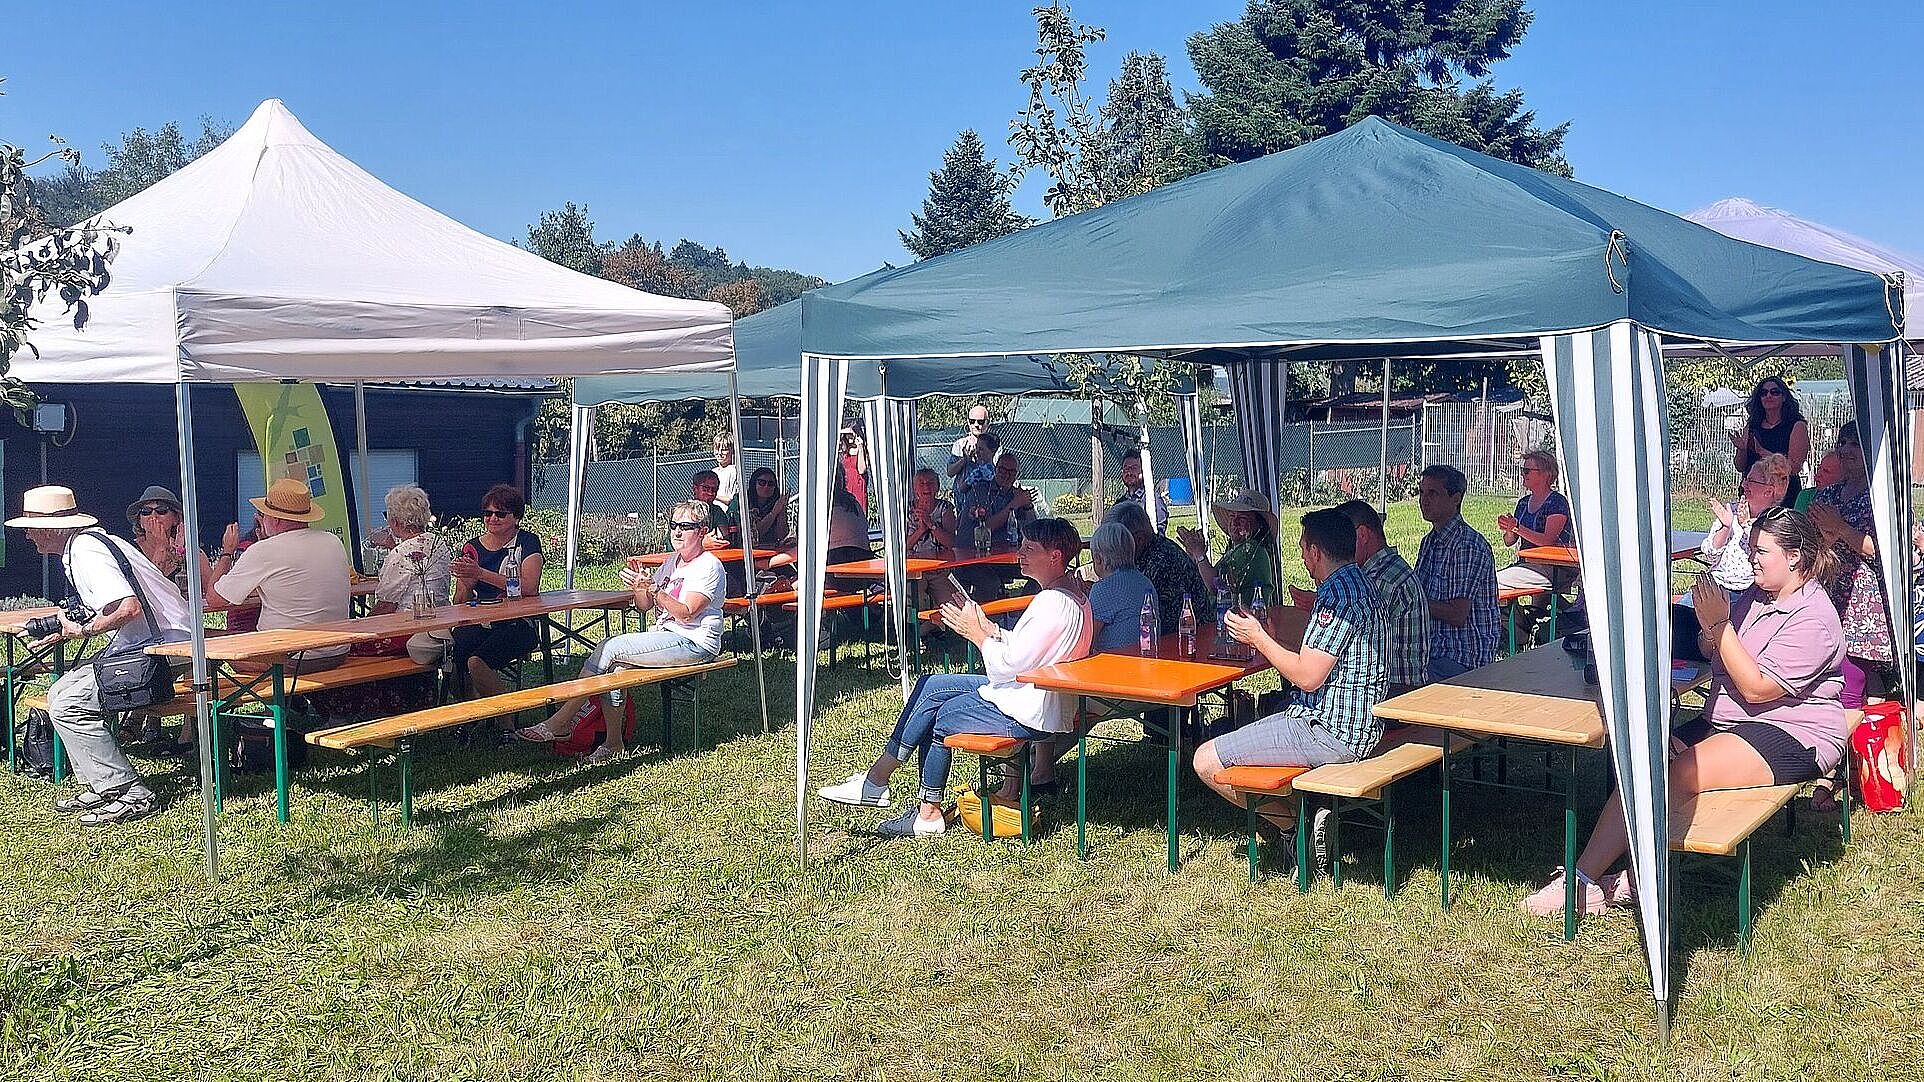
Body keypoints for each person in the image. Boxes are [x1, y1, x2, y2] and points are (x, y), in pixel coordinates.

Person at [1523, 508, 1847, 916]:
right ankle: (1635, 874)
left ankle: (1584, 881)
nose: (1751, 558)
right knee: (1641, 758)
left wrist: (1721, 626)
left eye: (1760, 551)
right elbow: (1715, 652)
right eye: (1750, 548)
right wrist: (1712, 629)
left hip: (1791, 732)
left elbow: (1756, 687)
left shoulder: (1814, 618)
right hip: (1732, 720)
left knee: (1679, 772)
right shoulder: (1757, 595)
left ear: (1795, 557)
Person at [815, 518, 1093, 839]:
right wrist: (988, 628)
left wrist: (976, 635)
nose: (1020, 554)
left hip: (1028, 707)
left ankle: (924, 811)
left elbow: (1011, 666)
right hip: (1033, 696)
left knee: (940, 715)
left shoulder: (1051, 602)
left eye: (1029, 549)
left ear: (1055, 556)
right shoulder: (1072, 597)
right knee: (931, 686)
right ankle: (878, 780)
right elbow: (1031, 652)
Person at [1193, 508, 1387, 856]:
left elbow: (1307, 677)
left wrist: (1257, 638)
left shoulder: (1337, 597)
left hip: (1331, 732)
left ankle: (1295, 828)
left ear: (1315, 552)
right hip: (1361, 726)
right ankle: (1305, 815)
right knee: (1265, 715)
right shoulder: (1362, 584)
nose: (1300, 554)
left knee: (1206, 760)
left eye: (1302, 547)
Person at [7, 486, 193, 824]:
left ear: (55, 529)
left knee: (68, 703)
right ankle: (99, 783)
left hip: (165, 647)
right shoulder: (91, 543)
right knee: (60, 691)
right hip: (168, 640)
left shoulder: (85, 552)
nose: (29, 535)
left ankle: (129, 793)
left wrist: (80, 631)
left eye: (32, 527)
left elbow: (127, 607)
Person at [518, 500, 725, 764]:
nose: (676, 532)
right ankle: (613, 744)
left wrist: (653, 590)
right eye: (673, 525)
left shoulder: (709, 566)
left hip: (694, 642)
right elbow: (644, 607)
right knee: (615, 669)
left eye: (685, 526)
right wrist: (640, 588)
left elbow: (686, 612)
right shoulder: (672, 562)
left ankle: (561, 720)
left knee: (610, 647)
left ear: (702, 531)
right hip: (667, 636)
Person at [1807, 421, 1896, 810]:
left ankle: (1879, 769)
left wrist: (1839, 528)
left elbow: (1887, 551)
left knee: (1866, 682)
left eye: (1855, 445)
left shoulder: (1883, 496)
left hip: (1866, 603)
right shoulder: (1831, 494)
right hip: (1832, 597)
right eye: (1842, 443)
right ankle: (1843, 770)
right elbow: (1820, 541)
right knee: (1837, 682)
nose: (1845, 450)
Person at [207, 477, 353, 673]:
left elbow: (215, 600)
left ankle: (209, 700)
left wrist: (227, 552)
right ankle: (295, 704)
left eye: (262, 514)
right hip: (337, 652)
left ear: (274, 519)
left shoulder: (264, 551)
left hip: (287, 657)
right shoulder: (333, 541)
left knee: (210, 640)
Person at [1675, 455, 1791, 662]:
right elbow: (1710, 554)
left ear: (1768, 490)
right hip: (1716, 585)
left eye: (1751, 482)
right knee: (1676, 619)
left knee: (1720, 637)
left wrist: (1747, 526)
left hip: (1747, 592)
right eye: (1746, 479)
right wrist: (1727, 526)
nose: (1744, 485)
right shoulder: (1731, 509)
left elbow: (1763, 556)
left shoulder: (1776, 520)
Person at [448, 483, 544, 701]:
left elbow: (529, 587)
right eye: (487, 513)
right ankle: (469, 712)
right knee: (458, 653)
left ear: (516, 517)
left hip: (517, 621)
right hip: (480, 621)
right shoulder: (471, 547)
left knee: (476, 661)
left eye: (500, 513)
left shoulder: (527, 542)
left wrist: (480, 573)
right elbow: (459, 601)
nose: (492, 518)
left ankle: (505, 722)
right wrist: (467, 582)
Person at [1335, 499, 1430, 696]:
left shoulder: (1381, 579)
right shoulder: (1382, 570)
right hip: (1393, 686)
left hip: (1395, 691)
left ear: (1362, 535)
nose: (1336, 548)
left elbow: (1341, 638)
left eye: (1340, 539)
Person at [1414, 465, 1499, 678]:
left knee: (1393, 687)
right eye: (1422, 492)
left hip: (1462, 656)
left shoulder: (1467, 546)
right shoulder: (1429, 542)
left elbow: (1457, 614)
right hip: (1433, 650)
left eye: (1433, 493)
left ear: (1456, 498)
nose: (1424, 500)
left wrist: (1411, 601)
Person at [1107, 500, 1207, 634]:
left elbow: (1137, 612)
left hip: (1186, 641)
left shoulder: (1160, 561)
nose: (1110, 546)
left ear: (1139, 538)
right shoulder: (1148, 552)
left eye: (1116, 540)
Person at [1178, 488, 1277, 606]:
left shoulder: (1252, 550)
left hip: (1244, 620)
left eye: (1242, 518)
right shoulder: (1236, 549)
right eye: (1232, 516)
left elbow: (1218, 588)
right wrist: (1195, 556)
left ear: (1259, 524)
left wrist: (1200, 555)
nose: (1234, 523)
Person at [1732, 376, 1809, 508]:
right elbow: (1740, 466)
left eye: (1774, 392)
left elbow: (1794, 467)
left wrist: (1762, 452)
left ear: (1784, 397)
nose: (1768, 396)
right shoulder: (1752, 426)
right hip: (1753, 494)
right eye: (1763, 393)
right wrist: (1742, 449)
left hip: (1783, 496)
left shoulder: (1796, 426)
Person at [1086, 521, 1156, 653]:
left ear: (1098, 558)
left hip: (1114, 664)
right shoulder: (1145, 582)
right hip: (1146, 657)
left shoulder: (1103, 589)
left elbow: (1088, 642)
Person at [959, 451, 1038, 543]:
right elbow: (985, 528)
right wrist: (1015, 503)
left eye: (1012, 472)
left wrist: (1027, 506)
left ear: (1017, 475)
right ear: (995, 469)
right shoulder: (979, 491)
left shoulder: (1016, 494)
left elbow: (1032, 532)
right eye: (1002, 470)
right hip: (972, 549)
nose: (1007, 475)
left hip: (1007, 549)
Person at [126, 485, 190, 595]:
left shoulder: (189, 551)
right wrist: (161, 546)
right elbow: (151, 590)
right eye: (146, 511)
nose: (153, 516)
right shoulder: (129, 551)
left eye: (161, 510)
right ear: (140, 521)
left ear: (175, 518)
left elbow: (212, 588)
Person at [947, 404, 995, 496]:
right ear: (968, 422)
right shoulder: (960, 444)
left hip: (986, 497)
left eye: (980, 422)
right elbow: (950, 472)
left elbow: (997, 470)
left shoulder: (993, 444)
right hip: (962, 499)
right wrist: (965, 460)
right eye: (972, 421)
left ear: (987, 423)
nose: (976, 425)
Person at [1119, 448, 1169, 534]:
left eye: (1134, 468)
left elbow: (1159, 533)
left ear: (1144, 471)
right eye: (1126, 468)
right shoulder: (1120, 502)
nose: (1129, 472)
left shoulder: (1153, 500)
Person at [742, 466, 789, 549]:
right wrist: (773, 513)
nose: (766, 487)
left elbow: (782, 535)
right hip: (747, 550)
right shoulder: (743, 501)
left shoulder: (776, 502)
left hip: (770, 549)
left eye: (771, 484)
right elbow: (754, 535)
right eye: (762, 483)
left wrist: (781, 510)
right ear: (754, 483)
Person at [691, 469, 739, 549]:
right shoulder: (683, 512)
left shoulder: (717, 511)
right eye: (705, 488)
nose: (710, 493)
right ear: (695, 489)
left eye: (714, 490)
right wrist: (701, 544)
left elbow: (724, 537)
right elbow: (678, 543)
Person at [839, 423, 871, 513]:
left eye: (851, 434)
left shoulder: (863, 451)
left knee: (859, 515)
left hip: (858, 489)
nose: (849, 437)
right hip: (847, 489)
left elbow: (862, 469)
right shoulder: (845, 451)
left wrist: (860, 447)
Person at [712, 432, 740, 510]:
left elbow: (732, 500)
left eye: (724, 450)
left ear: (732, 451)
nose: (720, 453)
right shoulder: (713, 472)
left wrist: (713, 495)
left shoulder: (733, 471)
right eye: (717, 449)